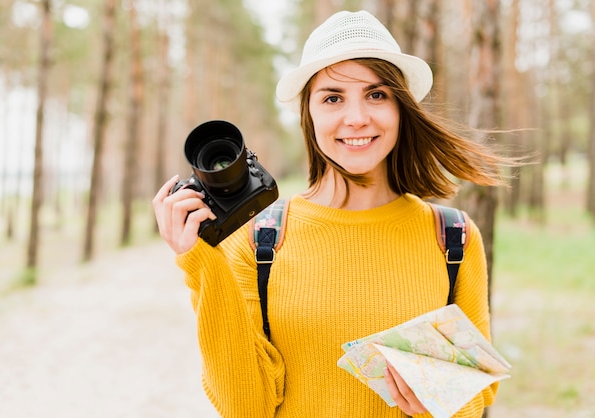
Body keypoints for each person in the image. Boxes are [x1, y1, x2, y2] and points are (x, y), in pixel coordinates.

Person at [153, 9, 510, 418]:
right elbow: (245, 407)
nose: (356, 118)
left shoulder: (453, 238)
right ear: (309, 113)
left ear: (400, 110)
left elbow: (480, 394)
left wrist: (439, 408)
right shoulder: (260, 241)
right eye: (333, 97)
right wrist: (200, 263)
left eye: (377, 95)